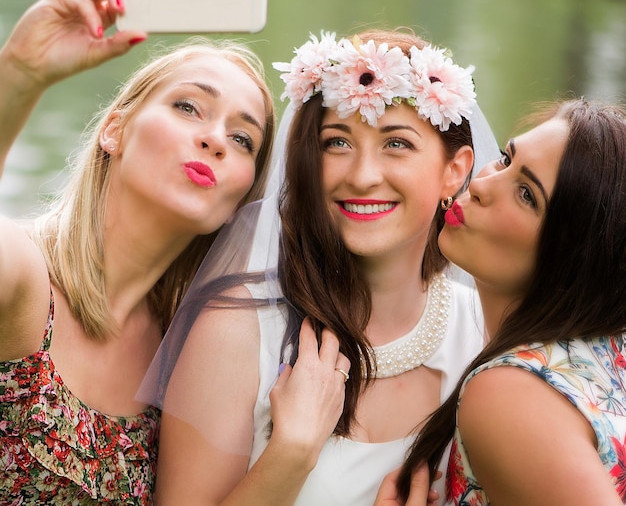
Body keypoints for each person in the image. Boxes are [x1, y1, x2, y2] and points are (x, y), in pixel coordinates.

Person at [142, 29, 499, 505]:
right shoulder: (240, 330)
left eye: (397, 144)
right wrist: (291, 452)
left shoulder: (485, 337)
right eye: (337, 143)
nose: (362, 175)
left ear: (455, 171)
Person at [0, 0, 276, 505]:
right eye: (189, 107)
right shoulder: (26, 276)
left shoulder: (191, 356)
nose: (216, 138)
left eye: (243, 139)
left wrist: (293, 452)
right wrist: (21, 74)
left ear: (239, 201)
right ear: (114, 131)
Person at [377, 98, 626, 505]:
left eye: (527, 194)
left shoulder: (511, 393)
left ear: (575, 254)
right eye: (506, 159)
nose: (478, 185)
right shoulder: (610, 350)